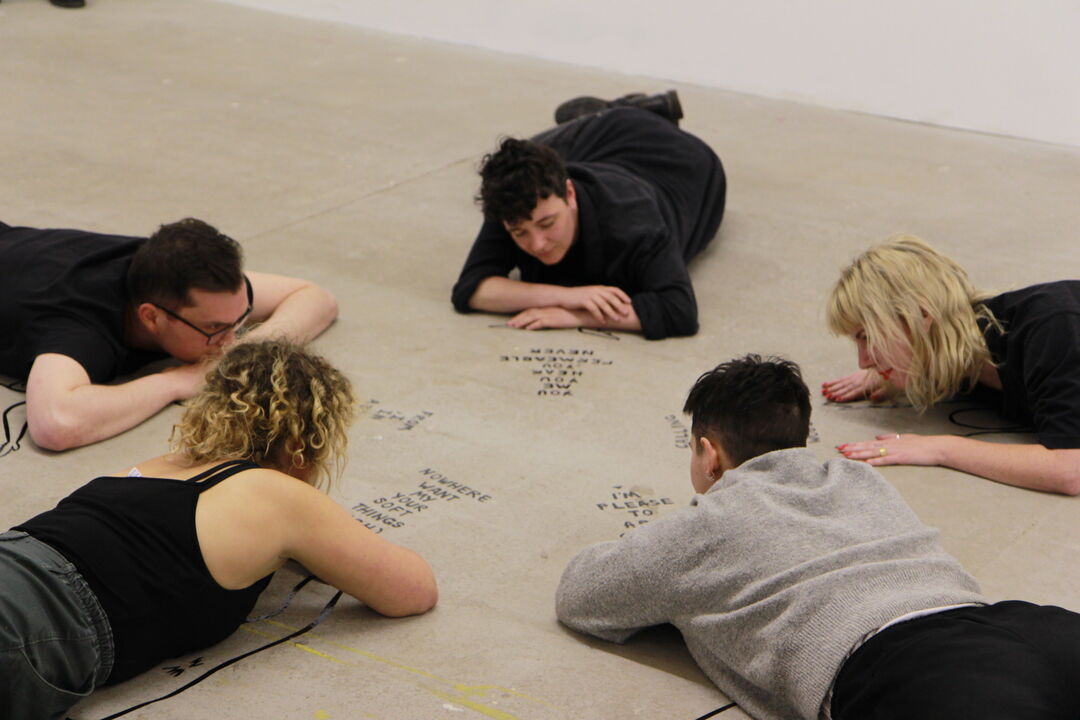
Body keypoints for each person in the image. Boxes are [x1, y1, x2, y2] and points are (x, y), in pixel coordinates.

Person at [556, 354, 1080, 720]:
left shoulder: (706, 526)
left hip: (912, 670)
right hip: (1020, 623)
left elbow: (582, 596)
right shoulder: (856, 478)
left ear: (709, 454)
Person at [0, 340, 437, 720]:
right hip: (38, 619)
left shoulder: (154, 467)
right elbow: (412, 589)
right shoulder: (276, 494)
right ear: (306, 440)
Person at [0, 217, 338, 451]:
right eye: (214, 329)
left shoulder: (169, 274)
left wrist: (247, 351)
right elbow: (55, 423)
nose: (230, 340)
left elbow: (315, 298)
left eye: (240, 319)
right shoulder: (82, 324)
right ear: (152, 316)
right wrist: (176, 382)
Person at [451, 90, 726, 340]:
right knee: (519, 157)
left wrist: (577, 316)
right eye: (519, 233)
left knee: (583, 133)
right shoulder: (515, 204)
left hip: (683, 160)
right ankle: (595, 116)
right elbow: (472, 290)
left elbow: (679, 312)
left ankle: (631, 110)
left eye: (547, 223)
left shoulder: (635, 223)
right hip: (601, 150)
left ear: (569, 193)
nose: (537, 244)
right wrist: (569, 297)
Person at [822, 234, 1080, 495]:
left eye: (868, 337)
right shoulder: (962, 348)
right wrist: (892, 369)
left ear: (921, 318)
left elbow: (1069, 469)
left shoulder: (1054, 329)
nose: (863, 361)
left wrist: (941, 449)